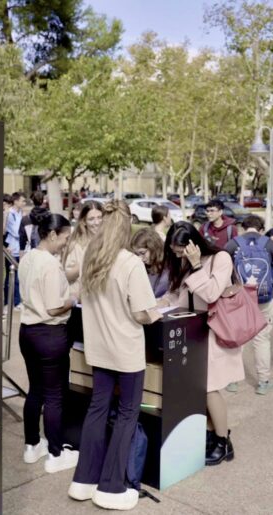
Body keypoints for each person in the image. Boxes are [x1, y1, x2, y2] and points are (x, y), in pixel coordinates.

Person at [68, 201, 160, 511]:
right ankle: (111, 485)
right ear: (126, 228)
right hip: (126, 351)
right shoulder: (130, 263)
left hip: (98, 350)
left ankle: (84, 480)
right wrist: (154, 313)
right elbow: (143, 313)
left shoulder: (91, 259)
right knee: (126, 414)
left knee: (96, 410)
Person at [162, 221, 240, 465]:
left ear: (193, 245)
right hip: (193, 332)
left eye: (180, 250)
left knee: (209, 388)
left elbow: (210, 294)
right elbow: (177, 295)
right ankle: (209, 433)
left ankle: (223, 442)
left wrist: (196, 265)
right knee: (199, 388)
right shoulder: (184, 263)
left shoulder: (221, 259)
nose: (177, 255)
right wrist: (153, 304)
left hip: (214, 332)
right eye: (173, 250)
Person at [18, 213, 80, 474]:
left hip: (28, 332)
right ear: (53, 234)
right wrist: (74, 297)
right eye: (65, 237)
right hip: (50, 335)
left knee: (35, 391)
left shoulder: (28, 257)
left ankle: (32, 445)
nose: (66, 243)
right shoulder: (51, 265)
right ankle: (56, 453)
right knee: (54, 395)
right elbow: (55, 307)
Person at [224, 215, 273, 395]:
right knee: (262, 339)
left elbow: (224, 271)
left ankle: (233, 381)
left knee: (238, 340)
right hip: (264, 298)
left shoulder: (232, 244)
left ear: (243, 227)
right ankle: (263, 382)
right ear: (261, 228)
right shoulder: (271, 245)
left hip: (240, 297)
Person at [63, 201, 103, 297]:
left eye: (99, 217)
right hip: (81, 303)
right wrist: (86, 262)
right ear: (84, 221)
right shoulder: (76, 245)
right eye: (91, 219)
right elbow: (66, 277)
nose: (96, 222)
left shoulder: (109, 243)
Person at [130, 228, 169, 298]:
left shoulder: (167, 269)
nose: (140, 258)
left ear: (153, 248)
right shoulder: (143, 266)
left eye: (142, 253)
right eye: (137, 254)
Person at [4, 192, 26, 309]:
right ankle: (10, 302)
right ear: (16, 201)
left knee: (18, 276)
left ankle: (15, 301)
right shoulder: (10, 214)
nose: (24, 203)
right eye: (22, 201)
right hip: (12, 249)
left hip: (19, 249)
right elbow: (17, 232)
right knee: (10, 276)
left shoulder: (20, 213)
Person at [19, 191, 48, 255]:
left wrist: (21, 255)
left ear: (32, 202)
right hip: (47, 252)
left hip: (31, 252)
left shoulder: (25, 219)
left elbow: (22, 240)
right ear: (43, 201)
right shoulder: (50, 217)